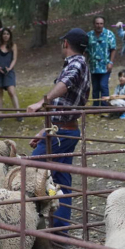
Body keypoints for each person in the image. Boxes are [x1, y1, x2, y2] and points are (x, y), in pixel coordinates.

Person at [27, 28, 90, 233]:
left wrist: (41, 102)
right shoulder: (80, 63)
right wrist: (44, 131)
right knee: (60, 179)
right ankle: (59, 232)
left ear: (66, 43)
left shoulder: (77, 63)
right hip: (63, 131)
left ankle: (30, 226)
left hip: (62, 133)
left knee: (32, 172)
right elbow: (64, 103)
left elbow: (65, 84)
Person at [0, 27, 23, 122]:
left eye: (7, 34)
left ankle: (18, 113)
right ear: (1, 35)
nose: (6, 36)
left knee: (11, 91)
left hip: (8, 71)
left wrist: (9, 68)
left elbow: (14, 59)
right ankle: (0, 114)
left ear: (10, 35)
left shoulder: (13, 45)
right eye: (4, 34)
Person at [86, 15, 116, 107]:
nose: (99, 25)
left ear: (103, 24)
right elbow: (86, 50)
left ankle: (105, 106)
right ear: (94, 24)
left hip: (105, 66)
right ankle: (95, 106)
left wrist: (111, 62)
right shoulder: (89, 35)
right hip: (94, 66)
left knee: (103, 85)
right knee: (95, 87)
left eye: (101, 23)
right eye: (97, 23)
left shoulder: (109, 34)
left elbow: (113, 49)